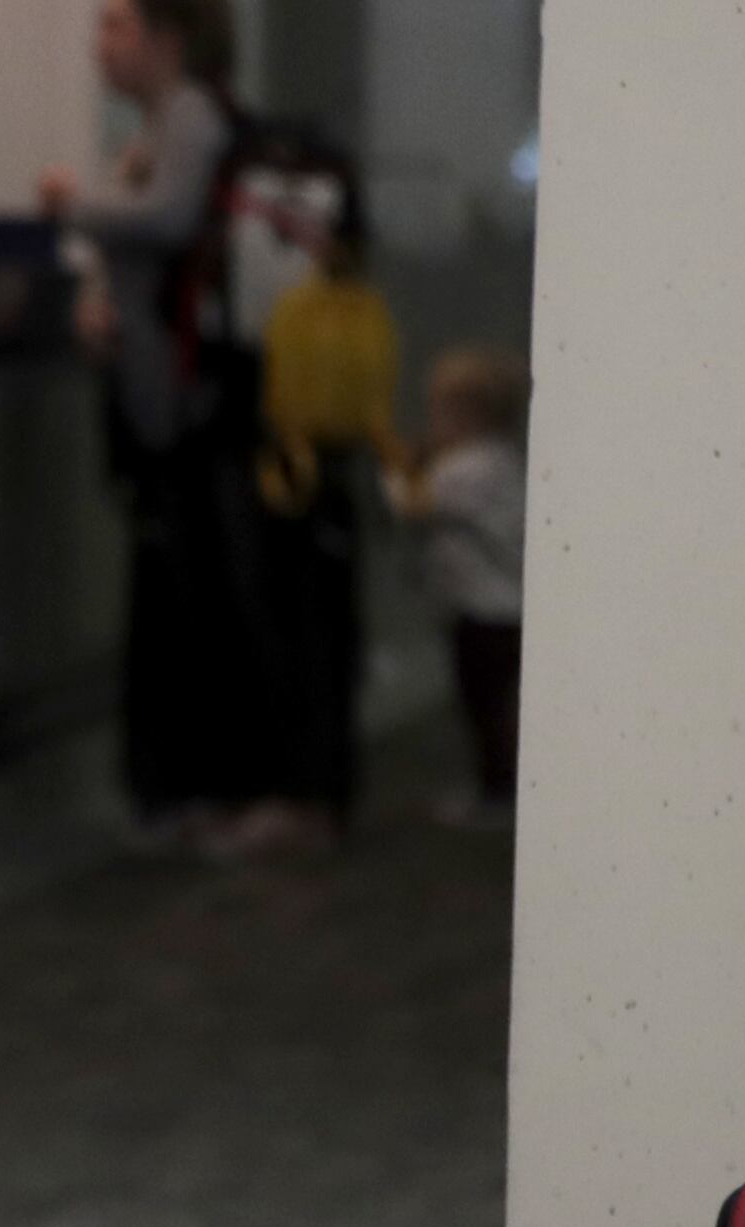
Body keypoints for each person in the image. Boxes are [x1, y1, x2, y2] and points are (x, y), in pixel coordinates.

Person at [37, 0, 244, 841]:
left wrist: (71, 206)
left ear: (168, 38)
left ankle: (183, 783)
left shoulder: (188, 117)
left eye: (118, 25)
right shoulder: (155, 127)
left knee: (178, 584)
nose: (102, 45)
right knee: (164, 581)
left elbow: (166, 219)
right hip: (149, 387)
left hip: (177, 397)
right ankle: (166, 783)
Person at [227, 167, 400, 858]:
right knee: (308, 634)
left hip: (317, 479)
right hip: (308, 477)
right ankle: (309, 790)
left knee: (314, 639)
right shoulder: (332, 310)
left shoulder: (334, 313)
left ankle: (313, 793)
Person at [389, 346, 527, 827]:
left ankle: (497, 794)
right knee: (498, 707)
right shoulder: (503, 460)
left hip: (483, 611)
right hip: (503, 609)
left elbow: (410, 503)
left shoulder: (467, 468)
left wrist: (398, 461)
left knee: (484, 707)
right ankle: (500, 789)